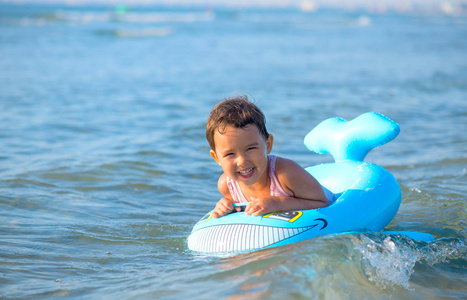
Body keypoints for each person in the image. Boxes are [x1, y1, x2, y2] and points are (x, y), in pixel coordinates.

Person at [206, 96, 335, 218]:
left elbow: (322, 202)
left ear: (268, 145)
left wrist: (278, 203)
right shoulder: (227, 185)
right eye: (230, 154)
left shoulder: (286, 174)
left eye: (250, 149)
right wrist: (226, 205)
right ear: (216, 157)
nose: (242, 161)